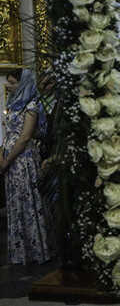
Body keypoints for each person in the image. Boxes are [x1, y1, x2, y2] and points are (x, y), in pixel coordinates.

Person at [1, 68, 52, 264]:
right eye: (9, 82)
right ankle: (21, 252)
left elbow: (25, 137)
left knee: (28, 202)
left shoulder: (31, 105)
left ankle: (37, 251)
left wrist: (7, 159)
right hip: (11, 162)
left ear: (22, 84)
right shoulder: (13, 104)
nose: (9, 86)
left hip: (23, 161)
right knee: (16, 204)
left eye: (13, 82)